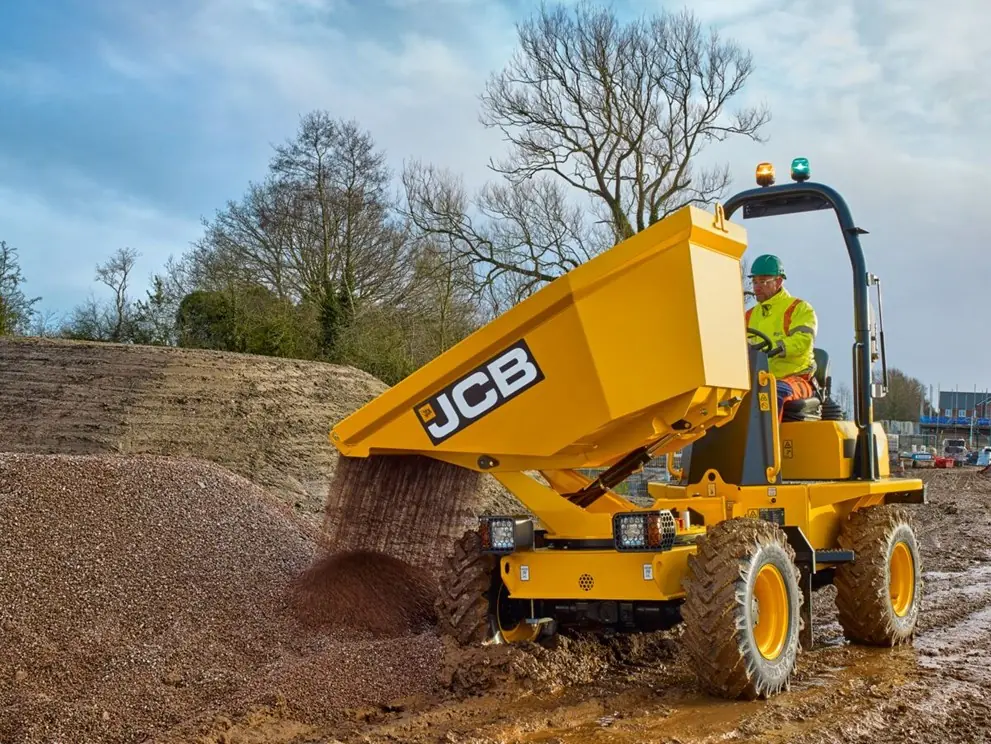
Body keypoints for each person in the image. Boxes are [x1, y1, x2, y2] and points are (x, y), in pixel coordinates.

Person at [746, 254, 818, 418]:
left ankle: (767, 443)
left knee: (772, 393)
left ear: (778, 282)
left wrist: (778, 346)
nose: (757, 287)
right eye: (755, 281)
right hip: (759, 380)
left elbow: (803, 341)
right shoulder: (749, 315)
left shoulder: (799, 308)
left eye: (763, 281)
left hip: (796, 379)